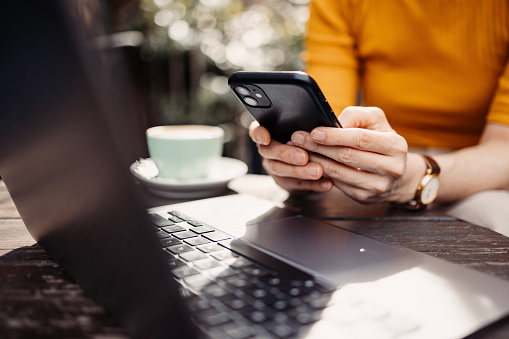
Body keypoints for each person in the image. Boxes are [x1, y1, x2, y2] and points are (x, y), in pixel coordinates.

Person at [249, 0, 509, 235]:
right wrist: (301, 160)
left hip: (479, 176)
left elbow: (503, 150)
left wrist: (414, 177)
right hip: (374, 165)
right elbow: (329, 116)